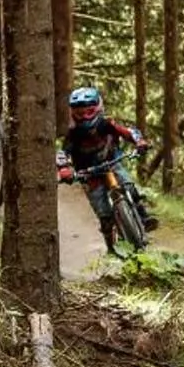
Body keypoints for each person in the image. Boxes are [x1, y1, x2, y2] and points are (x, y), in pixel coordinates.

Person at [56, 84, 157, 251]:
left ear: (98, 108)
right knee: (103, 213)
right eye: (80, 114)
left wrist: (139, 142)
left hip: (112, 163)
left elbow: (128, 132)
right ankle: (110, 246)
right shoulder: (73, 135)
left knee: (128, 185)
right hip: (89, 174)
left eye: (89, 112)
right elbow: (62, 153)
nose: (85, 117)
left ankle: (143, 216)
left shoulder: (107, 124)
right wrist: (64, 169)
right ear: (73, 113)